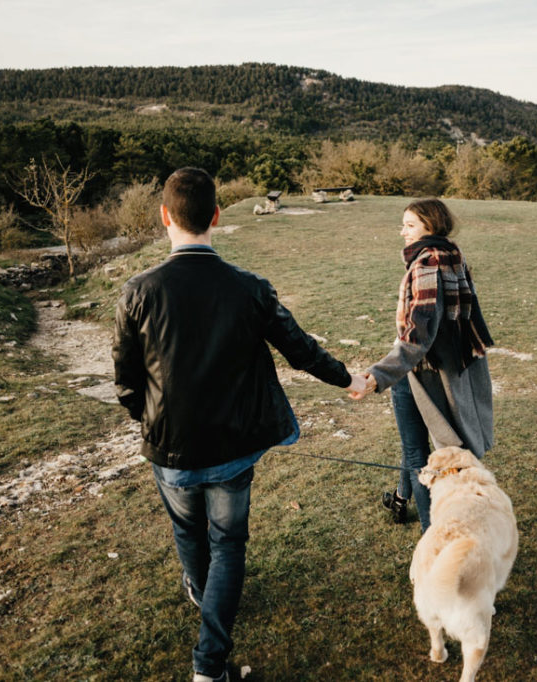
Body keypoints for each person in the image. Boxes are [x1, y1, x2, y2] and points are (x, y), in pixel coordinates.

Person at [113, 167, 365, 682]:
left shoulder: (137, 291)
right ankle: (209, 663)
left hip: (169, 450)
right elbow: (299, 349)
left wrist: (152, 420)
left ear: (165, 217)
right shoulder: (250, 289)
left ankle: (206, 606)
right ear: (216, 215)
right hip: (232, 447)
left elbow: (125, 383)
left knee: (190, 530)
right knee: (227, 543)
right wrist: (347, 380)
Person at [352, 198, 494, 532]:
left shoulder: (425, 265)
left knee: (417, 452)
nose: (402, 231)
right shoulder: (452, 254)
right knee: (411, 440)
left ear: (429, 226)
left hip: (418, 371)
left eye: (409, 224)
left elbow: (418, 335)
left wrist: (378, 375)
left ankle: (436, 536)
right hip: (449, 366)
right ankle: (401, 499)